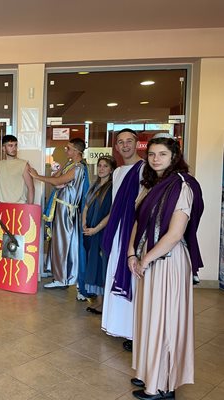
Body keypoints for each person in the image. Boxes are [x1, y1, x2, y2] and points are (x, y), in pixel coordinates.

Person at [128, 135, 203, 400]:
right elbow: (137, 222)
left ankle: (162, 385)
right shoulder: (151, 185)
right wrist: (130, 255)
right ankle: (150, 371)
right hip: (146, 258)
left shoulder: (181, 186)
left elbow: (174, 234)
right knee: (148, 318)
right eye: (151, 154)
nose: (155, 158)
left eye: (162, 154)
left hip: (167, 261)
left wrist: (146, 259)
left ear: (174, 158)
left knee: (164, 321)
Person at [101, 128, 144, 352]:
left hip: (133, 231)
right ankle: (115, 324)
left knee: (131, 277)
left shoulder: (144, 169)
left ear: (136, 143)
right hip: (118, 229)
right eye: (120, 142)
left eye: (129, 141)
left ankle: (133, 329)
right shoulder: (117, 172)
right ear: (116, 147)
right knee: (114, 273)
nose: (125, 145)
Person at [29, 138, 89, 295]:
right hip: (61, 207)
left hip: (66, 210)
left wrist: (37, 176)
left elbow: (58, 181)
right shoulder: (71, 165)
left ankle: (62, 278)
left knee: (62, 242)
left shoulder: (78, 168)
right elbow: (58, 181)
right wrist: (57, 175)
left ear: (76, 151)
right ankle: (57, 271)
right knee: (57, 241)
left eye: (68, 148)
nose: (65, 151)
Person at [82, 156, 116, 314]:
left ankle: (105, 304)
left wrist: (96, 229)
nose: (101, 169)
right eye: (100, 165)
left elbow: (111, 214)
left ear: (111, 169)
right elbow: (86, 206)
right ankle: (99, 300)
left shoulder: (112, 188)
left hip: (102, 232)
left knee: (102, 266)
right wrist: (84, 223)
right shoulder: (94, 185)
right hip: (90, 231)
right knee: (93, 264)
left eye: (105, 166)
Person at [0, 134, 35, 218]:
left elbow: (31, 187)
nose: (14, 148)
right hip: (2, 206)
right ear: (3, 148)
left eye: (15, 145)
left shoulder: (24, 164)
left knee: (18, 231)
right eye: (10, 145)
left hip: (20, 206)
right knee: (3, 231)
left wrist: (29, 209)